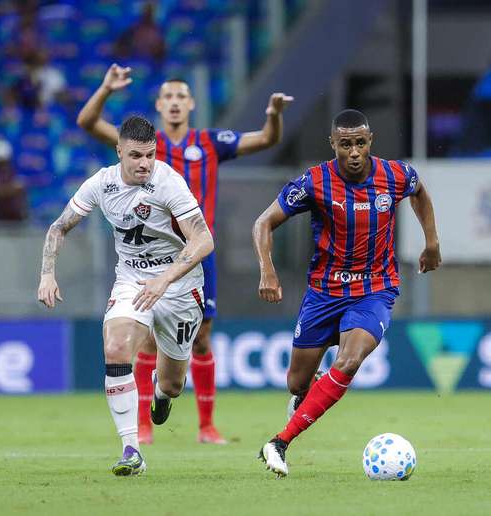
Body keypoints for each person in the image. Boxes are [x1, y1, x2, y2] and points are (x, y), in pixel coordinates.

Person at [77, 63, 293, 445]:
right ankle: (143, 423)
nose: (175, 103)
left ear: (191, 104)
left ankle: (206, 426)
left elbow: (266, 140)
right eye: (168, 97)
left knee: (203, 339)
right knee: (145, 338)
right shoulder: (144, 146)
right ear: (159, 105)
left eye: (181, 96)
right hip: (149, 255)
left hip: (196, 253)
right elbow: (88, 121)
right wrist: (107, 88)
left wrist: (274, 115)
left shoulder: (209, 142)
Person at [252, 109, 441, 477]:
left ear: (369, 140)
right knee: (297, 383)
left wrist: (431, 242)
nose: (353, 152)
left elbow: (419, 192)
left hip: (375, 289)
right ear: (333, 145)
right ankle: (313, 391)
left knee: (349, 361)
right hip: (324, 292)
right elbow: (264, 222)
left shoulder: (395, 175)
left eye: (359, 143)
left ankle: (279, 442)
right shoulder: (315, 182)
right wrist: (267, 270)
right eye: (345, 145)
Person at [37, 115, 214, 476]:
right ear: (119, 151)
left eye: (149, 155)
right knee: (116, 347)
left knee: (173, 383)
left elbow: (204, 240)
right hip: (132, 280)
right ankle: (131, 449)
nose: (144, 164)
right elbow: (59, 227)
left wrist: (164, 280)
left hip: (179, 286)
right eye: (135, 156)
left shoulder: (169, 182)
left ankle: (162, 396)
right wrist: (46, 274)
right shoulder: (102, 184)